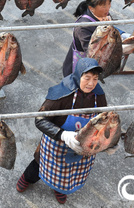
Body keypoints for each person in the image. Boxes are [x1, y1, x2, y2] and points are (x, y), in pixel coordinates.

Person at [16, 58, 113, 204]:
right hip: (57, 142)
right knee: (39, 163)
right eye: (87, 78)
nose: (91, 83)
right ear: (78, 75)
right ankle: (27, 179)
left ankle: (59, 188)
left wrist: (108, 141)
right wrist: (63, 135)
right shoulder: (61, 93)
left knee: (70, 171)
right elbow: (40, 120)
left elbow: (103, 119)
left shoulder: (98, 96)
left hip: (83, 145)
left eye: (95, 79)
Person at [62, 0, 113, 77]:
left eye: (109, 4)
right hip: (81, 65)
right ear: (91, 8)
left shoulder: (105, 15)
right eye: (104, 6)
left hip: (94, 63)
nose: (108, 8)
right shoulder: (83, 26)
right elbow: (91, 50)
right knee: (80, 86)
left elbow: (113, 29)